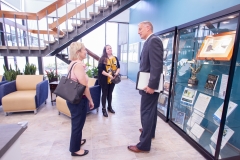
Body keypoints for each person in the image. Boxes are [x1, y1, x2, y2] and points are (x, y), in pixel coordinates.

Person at [128, 21, 163, 152]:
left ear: (148, 28)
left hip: (149, 86)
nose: (138, 32)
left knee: (146, 112)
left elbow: (156, 66)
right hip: (147, 83)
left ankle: (144, 145)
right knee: (151, 111)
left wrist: (151, 86)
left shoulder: (153, 41)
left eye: (140, 29)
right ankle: (149, 132)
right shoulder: (150, 41)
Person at [67, 42, 94, 156]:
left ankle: (77, 142)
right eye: (84, 50)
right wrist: (91, 100)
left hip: (73, 99)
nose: (86, 52)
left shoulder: (73, 63)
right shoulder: (78, 65)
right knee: (78, 124)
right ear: (78, 52)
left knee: (77, 123)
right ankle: (75, 149)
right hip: (78, 101)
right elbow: (84, 87)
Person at [98, 45, 120, 117]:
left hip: (112, 79)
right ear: (105, 51)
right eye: (108, 49)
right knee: (104, 94)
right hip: (104, 79)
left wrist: (116, 73)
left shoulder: (115, 58)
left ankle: (109, 107)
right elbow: (101, 70)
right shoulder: (102, 59)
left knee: (110, 93)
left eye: (110, 48)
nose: (110, 49)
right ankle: (104, 109)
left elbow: (118, 67)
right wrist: (109, 75)